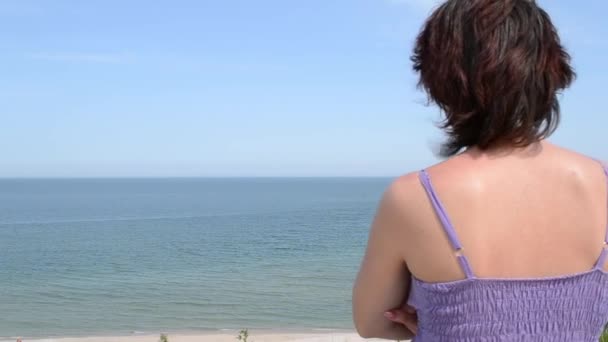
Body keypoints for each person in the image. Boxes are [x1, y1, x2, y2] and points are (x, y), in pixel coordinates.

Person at [352, 0, 608, 341]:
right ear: (549, 69)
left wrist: (438, 324)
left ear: (443, 78)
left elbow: (373, 323)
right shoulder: (601, 183)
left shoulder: (415, 196)